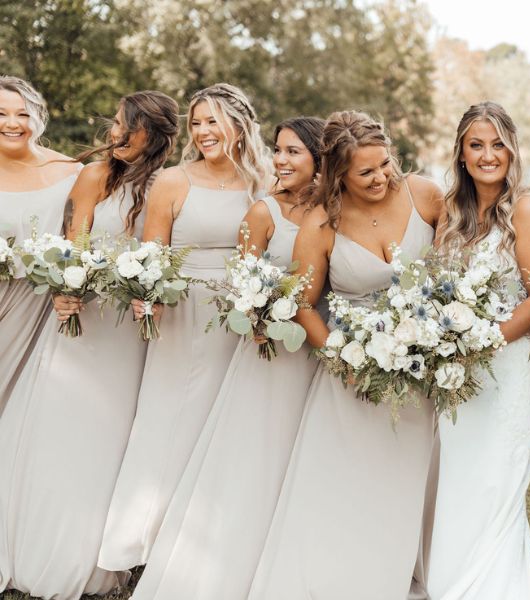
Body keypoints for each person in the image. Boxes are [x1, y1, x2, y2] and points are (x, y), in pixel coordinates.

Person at [248, 111, 444, 599]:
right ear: (339, 174)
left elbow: (455, 267)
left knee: (408, 476)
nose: (381, 178)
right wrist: (343, 357)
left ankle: (406, 574)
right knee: (349, 481)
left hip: (420, 370)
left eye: (386, 165)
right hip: (351, 375)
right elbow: (301, 303)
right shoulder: (321, 223)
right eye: (366, 172)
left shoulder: (424, 195)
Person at [130, 117, 325, 600]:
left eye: (294, 151)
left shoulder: (337, 211)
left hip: (322, 353)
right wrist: (258, 318)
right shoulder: (262, 212)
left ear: (321, 160)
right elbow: (242, 282)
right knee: (259, 449)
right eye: (278, 150)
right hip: (271, 351)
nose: (280, 160)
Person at [0, 90, 179, 599]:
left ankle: (99, 554)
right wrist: (64, 290)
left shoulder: (170, 184)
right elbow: (72, 245)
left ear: (155, 134)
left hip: (131, 334)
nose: (115, 135)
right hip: (83, 322)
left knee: (111, 436)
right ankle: (35, 548)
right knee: (58, 430)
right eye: (116, 124)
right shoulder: (96, 175)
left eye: (127, 127)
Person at [98, 83, 271, 570]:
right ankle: (140, 545)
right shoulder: (175, 181)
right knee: (169, 419)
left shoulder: (265, 180)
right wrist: (147, 298)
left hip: (244, 314)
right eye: (197, 122)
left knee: (225, 425)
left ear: (238, 124)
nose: (203, 131)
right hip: (184, 312)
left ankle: (202, 545)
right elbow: (152, 253)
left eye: (213, 120)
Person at [427, 101, 530, 600]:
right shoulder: (452, 214)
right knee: (460, 482)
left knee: (494, 487)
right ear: (461, 153)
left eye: (498, 144)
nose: (488, 155)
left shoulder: (526, 209)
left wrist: (481, 342)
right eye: (476, 145)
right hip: (457, 376)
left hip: (506, 370)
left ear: (513, 150)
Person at [0, 76, 78, 410]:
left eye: (22, 114)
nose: (12, 123)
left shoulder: (70, 171)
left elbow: (84, 239)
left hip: (39, 304)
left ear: (38, 117)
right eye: (1, 113)